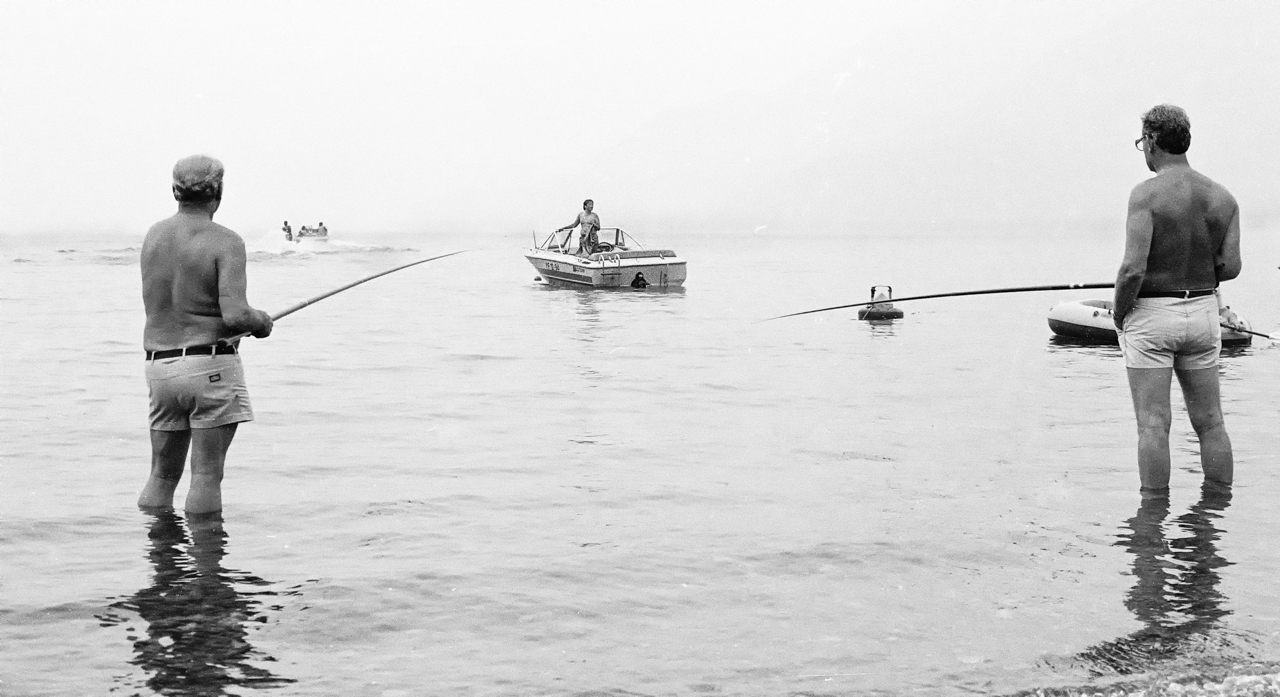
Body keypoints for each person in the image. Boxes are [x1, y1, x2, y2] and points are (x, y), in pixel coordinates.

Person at [1113, 105, 1241, 493]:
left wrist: (1120, 314)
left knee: (1154, 423)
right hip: (1202, 312)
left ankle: (1152, 521)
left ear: (1152, 141)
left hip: (1153, 315)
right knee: (1211, 422)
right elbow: (1231, 267)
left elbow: (1133, 269)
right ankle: (1217, 512)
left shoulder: (1145, 195)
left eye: (1142, 142)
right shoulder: (1223, 197)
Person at [138, 155, 274, 514]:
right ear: (219, 191)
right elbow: (235, 315)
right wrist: (260, 322)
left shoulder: (154, 235)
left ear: (174, 191)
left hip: (159, 368)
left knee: (162, 476)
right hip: (207, 367)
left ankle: (161, 562)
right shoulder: (225, 241)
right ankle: (209, 569)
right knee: (206, 476)